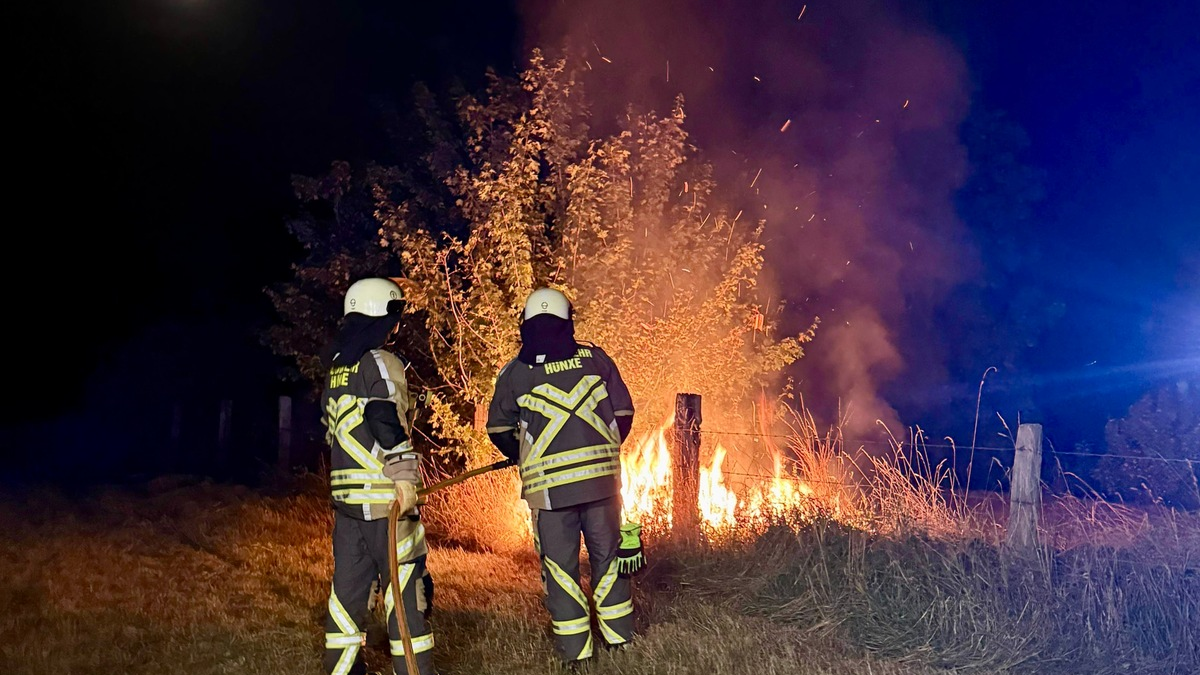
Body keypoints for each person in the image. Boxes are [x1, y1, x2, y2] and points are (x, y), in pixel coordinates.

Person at [486, 287, 639, 668]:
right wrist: (602, 450)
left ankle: (576, 652)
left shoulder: (515, 373)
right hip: (602, 486)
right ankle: (620, 639)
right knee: (609, 559)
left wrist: (523, 453)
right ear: (568, 321)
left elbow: (498, 428)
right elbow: (623, 413)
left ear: (525, 325)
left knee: (560, 568)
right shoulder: (595, 358)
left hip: (550, 493)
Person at [320, 277, 437, 675]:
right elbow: (382, 414)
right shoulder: (380, 361)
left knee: (348, 593)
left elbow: (335, 428)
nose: (396, 326)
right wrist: (404, 476)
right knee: (405, 591)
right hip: (386, 500)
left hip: (347, 502)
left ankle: (344, 669)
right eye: (394, 317)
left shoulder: (337, 369)